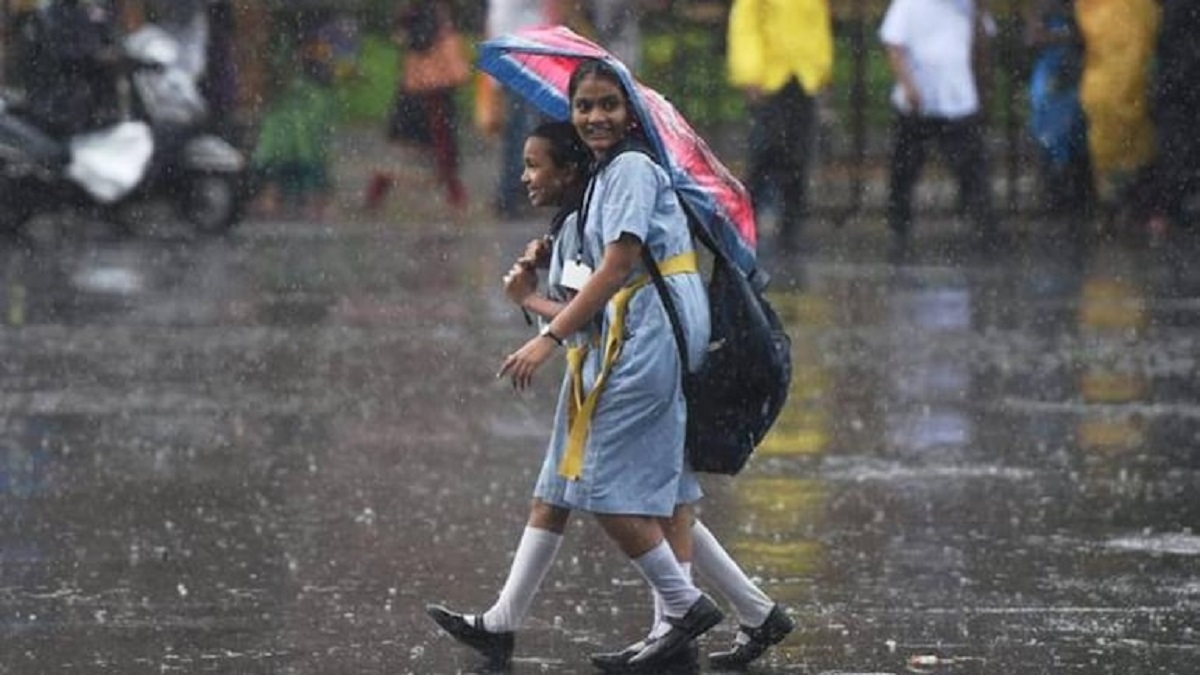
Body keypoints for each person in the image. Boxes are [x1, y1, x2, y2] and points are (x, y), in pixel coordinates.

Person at [425, 119, 794, 671]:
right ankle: (752, 613)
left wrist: (529, 304)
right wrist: (539, 285)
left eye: (534, 165)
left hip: (623, 363)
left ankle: (681, 611)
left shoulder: (606, 207)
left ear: (570, 170)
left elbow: (591, 317)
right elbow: (586, 308)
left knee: (626, 493)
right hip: (597, 367)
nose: (524, 176)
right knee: (579, 494)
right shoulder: (576, 220)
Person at [879, 0, 1001, 251]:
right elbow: (893, 45)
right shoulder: (909, 4)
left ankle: (983, 226)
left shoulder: (967, 5)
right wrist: (908, 84)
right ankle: (898, 225)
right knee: (905, 167)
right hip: (918, 100)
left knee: (972, 168)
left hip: (958, 98)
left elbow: (984, 39)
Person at [726, 0, 834, 252]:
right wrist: (750, 72)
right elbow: (746, 25)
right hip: (770, 79)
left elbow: (816, 26)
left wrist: (822, 70)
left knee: (798, 155)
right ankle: (747, 222)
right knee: (765, 152)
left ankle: (791, 227)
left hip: (803, 79)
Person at [365, 0, 469, 212]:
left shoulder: (423, 9)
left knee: (412, 143)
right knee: (434, 143)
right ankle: (456, 197)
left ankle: (375, 196)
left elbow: (416, 38)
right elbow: (421, 40)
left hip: (424, 84)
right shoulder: (427, 9)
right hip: (428, 86)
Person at [249, 19, 338, 220]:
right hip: (290, 92)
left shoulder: (310, 34)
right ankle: (280, 196)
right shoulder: (282, 34)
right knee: (283, 146)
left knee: (305, 147)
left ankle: (310, 199)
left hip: (307, 90)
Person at [1023, 0, 1092, 219]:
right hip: (1053, 76)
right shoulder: (1045, 7)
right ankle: (1057, 197)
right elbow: (1033, 37)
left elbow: (1087, 35)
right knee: (1051, 137)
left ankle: (1075, 199)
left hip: (1072, 74)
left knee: (1074, 136)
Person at [20, 0, 120, 138]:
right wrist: (93, 57)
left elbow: (106, 40)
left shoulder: (92, 11)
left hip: (92, 104)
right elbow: (56, 53)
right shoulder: (48, 15)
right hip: (60, 102)